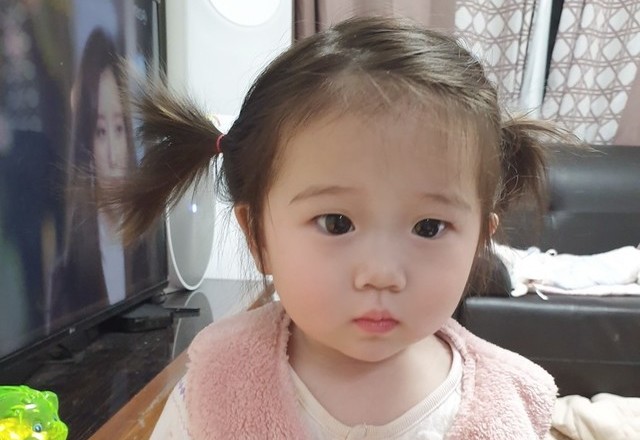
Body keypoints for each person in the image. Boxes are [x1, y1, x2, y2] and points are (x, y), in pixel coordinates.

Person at [108, 16, 571, 439]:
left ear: (479, 242)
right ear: (258, 237)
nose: (381, 274)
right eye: (336, 223)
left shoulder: (504, 407)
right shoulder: (218, 384)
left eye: (429, 227)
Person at [49, 28, 156, 326]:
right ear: (86, 140)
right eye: (100, 132)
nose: (113, 154)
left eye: (119, 129)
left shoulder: (148, 237)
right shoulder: (69, 257)